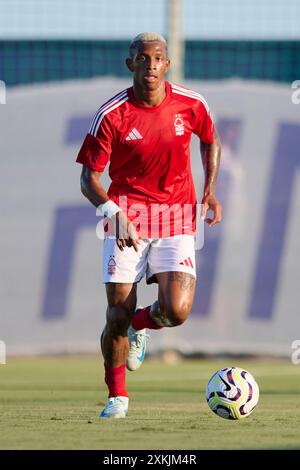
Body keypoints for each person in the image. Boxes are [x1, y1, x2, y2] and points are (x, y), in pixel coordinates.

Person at [76, 32, 222, 418]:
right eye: (143, 58)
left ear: (167, 64)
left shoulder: (191, 104)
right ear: (131, 64)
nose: (151, 65)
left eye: (158, 58)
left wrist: (208, 191)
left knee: (176, 311)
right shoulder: (111, 115)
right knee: (116, 315)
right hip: (127, 220)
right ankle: (117, 397)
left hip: (176, 219)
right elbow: (89, 178)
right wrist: (113, 213)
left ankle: (142, 325)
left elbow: (210, 140)